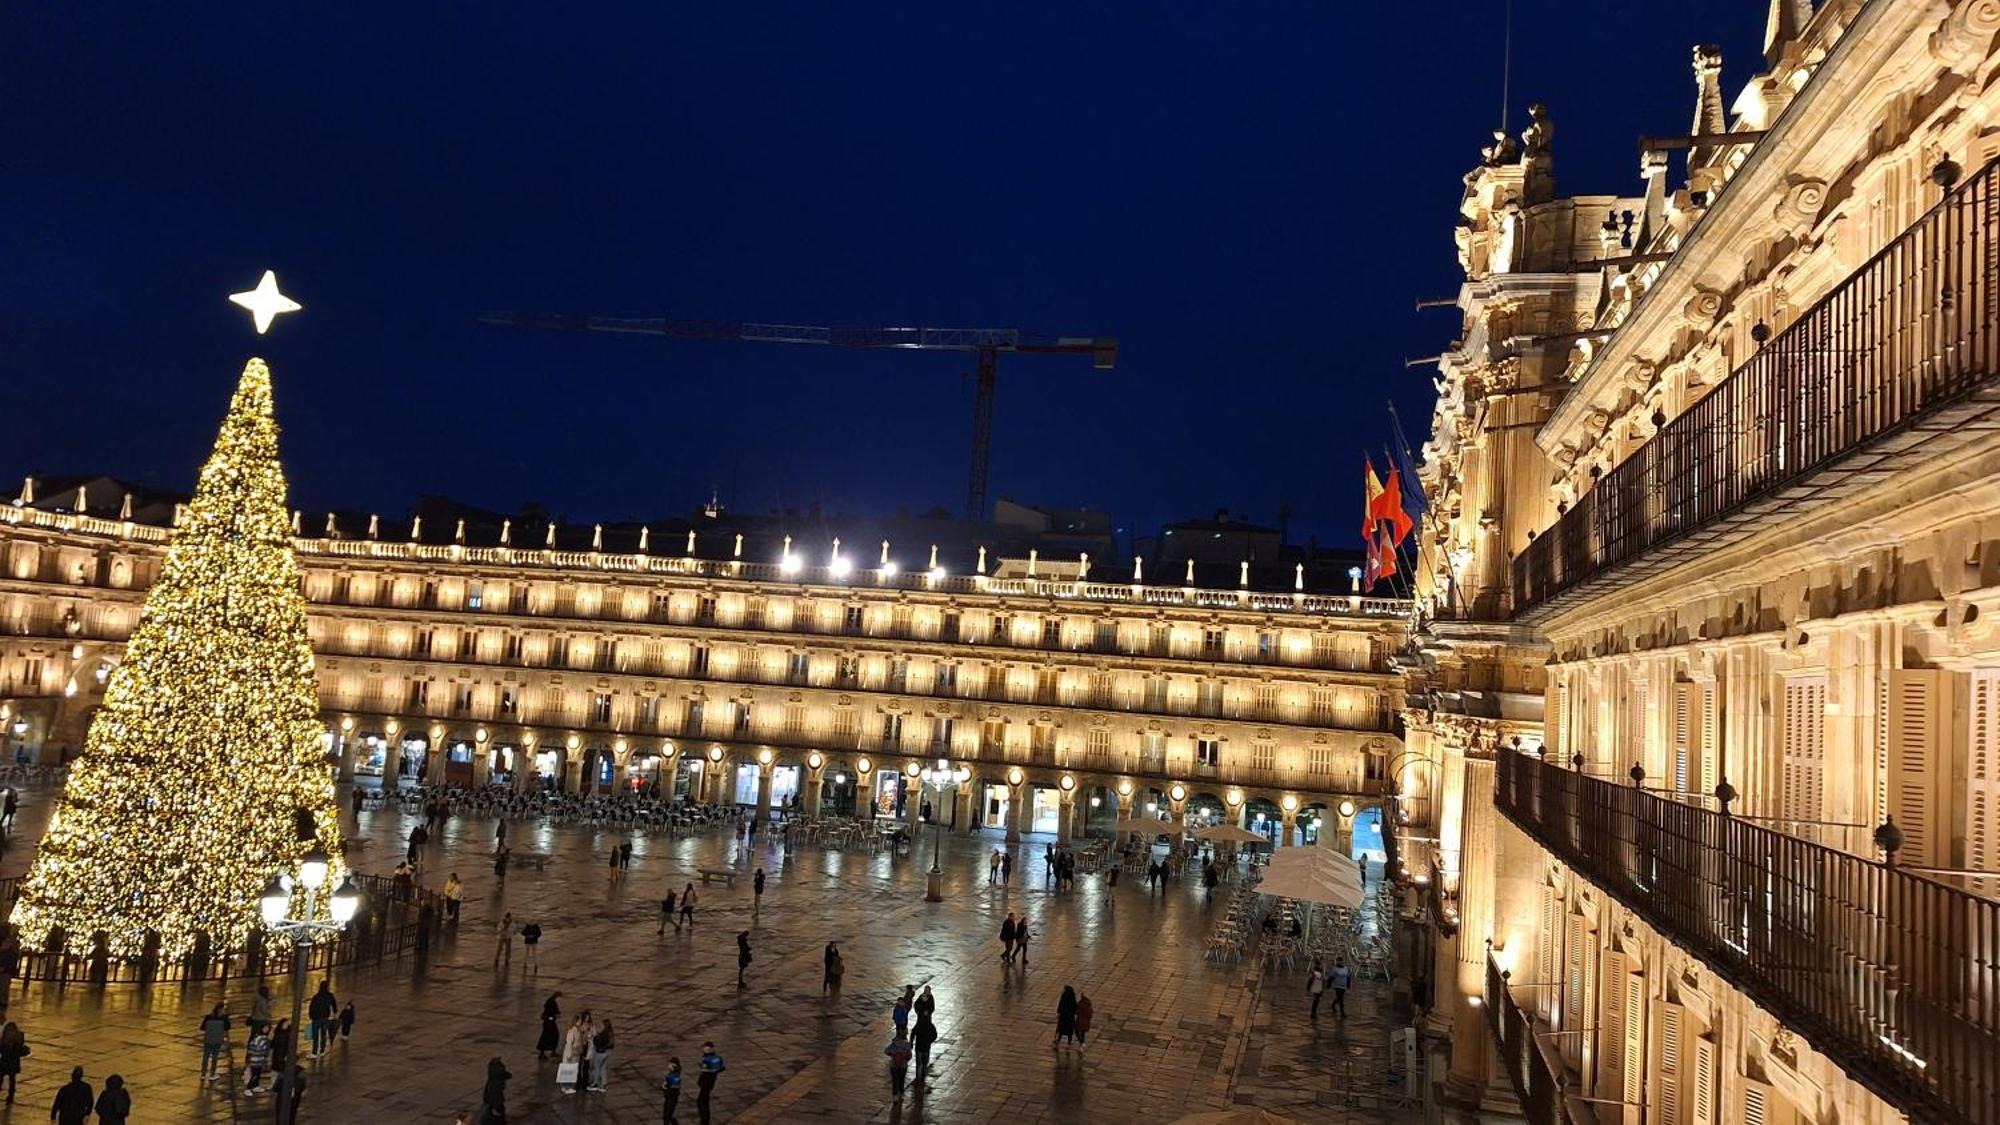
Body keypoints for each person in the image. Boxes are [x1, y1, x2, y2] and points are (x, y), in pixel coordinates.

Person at [560, 1011, 593, 1095]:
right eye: (578, 1021)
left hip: (575, 1053)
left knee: (569, 1070)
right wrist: (569, 1054)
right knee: (569, 1070)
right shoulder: (573, 1030)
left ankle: (566, 1086)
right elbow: (570, 1043)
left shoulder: (576, 1030)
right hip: (572, 1053)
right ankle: (566, 1087)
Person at [199, 1003, 230, 1080]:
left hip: (208, 1039)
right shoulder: (224, 1018)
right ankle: (212, 1074)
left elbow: (202, 1027)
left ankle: (203, 1073)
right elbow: (228, 1027)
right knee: (215, 1057)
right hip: (217, 1039)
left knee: (206, 1056)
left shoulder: (209, 1017)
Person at [307, 979, 338, 1057]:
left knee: (315, 1036)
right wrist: (334, 1012)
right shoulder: (330, 996)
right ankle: (322, 1051)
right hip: (325, 1018)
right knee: (323, 1035)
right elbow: (334, 1005)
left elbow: (311, 1007)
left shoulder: (316, 997)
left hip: (316, 1019)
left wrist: (311, 1016)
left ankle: (314, 1052)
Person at [696, 1042, 724, 1125]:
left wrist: (701, 1066)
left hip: (705, 1083)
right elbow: (721, 1068)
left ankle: (704, 1122)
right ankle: (705, 1120)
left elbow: (704, 1071)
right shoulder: (718, 1058)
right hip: (711, 1082)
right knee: (705, 1101)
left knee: (701, 1102)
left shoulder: (706, 1060)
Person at [0, 1021, 26, 1103]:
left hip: (4, 1062)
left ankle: (8, 1093)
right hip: (14, 1063)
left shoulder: (5, 1041)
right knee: (12, 1079)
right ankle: (11, 1095)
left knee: (1, 1077)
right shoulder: (19, 1038)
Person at [480, 1056, 511, 1125]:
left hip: (491, 1098)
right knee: (497, 1112)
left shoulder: (492, 1077)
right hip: (494, 1100)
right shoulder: (496, 1083)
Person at [884, 1028, 913, 1098]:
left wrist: (892, 1055)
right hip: (903, 1065)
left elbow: (886, 1051)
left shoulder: (893, 1044)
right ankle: (901, 1093)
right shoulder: (907, 1045)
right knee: (902, 1079)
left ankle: (895, 1096)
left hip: (894, 1065)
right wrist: (905, 1059)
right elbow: (909, 1056)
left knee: (895, 1081)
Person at [244, 1025, 272, 1094]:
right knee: (254, 1074)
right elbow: (254, 1048)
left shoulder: (264, 1038)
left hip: (260, 1059)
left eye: (268, 1028)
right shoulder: (259, 1037)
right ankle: (248, 1088)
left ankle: (255, 1086)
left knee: (258, 1073)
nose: (266, 1030)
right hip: (255, 1059)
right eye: (265, 1028)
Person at [911, 1014, 937, 1087]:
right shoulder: (930, 1025)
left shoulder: (918, 1025)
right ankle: (922, 1076)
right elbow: (935, 1035)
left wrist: (911, 1042)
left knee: (918, 1064)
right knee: (925, 1063)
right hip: (926, 1047)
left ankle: (918, 1078)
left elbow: (913, 1033)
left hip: (919, 1047)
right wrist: (930, 1041)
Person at [589, 1019, 615, 1092]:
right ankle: (604, 1084)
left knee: (597, 1068)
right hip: (607, 1053)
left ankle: (595, 1083)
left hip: (600, 1053)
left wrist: (595, 1036)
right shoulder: (611, 1033)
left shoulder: (604, 1034)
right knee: (603, 1068)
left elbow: (597, 1042)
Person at [536, 993, 562, 1060]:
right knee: (547, 1037)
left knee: (553, 1036)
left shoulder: (551, 1001)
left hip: (549, 1022)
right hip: (548, 1023)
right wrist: (552, 1017)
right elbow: (549, 1013)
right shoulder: (551, 1003)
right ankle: (543, 1053)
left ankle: (551, 1051)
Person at [661, 1057, 683, 1125]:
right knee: (667, 1114)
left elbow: (672, 1088)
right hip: (669, 1097)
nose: (668, 1065)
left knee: (668, 1115)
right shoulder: (671, 1074)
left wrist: (665, 1088)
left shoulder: (674, 1077)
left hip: (671, 1098)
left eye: (670, 1064)